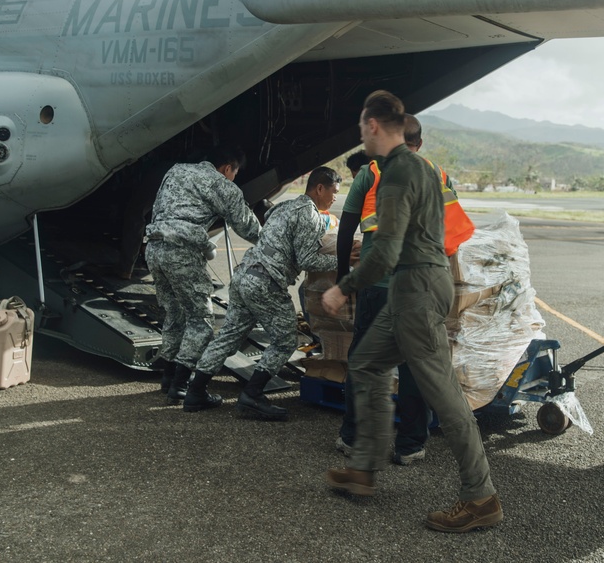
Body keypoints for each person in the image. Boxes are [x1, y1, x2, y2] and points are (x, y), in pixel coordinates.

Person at [322, 91, 501, 533]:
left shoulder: (397, 173)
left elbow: (385, 250)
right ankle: (364, 468)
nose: (362, 133)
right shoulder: (423, 168)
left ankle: (480, 497)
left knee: (444, 394)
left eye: (365, 125)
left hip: (416, 288)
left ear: (379, 127)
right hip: (413, 287)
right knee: (365, 364)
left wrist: (343, 288)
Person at [333, 115, 472, 466]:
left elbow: (347, 227)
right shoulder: (439, 175)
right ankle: (411, 444)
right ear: (419, 144)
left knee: (365, 363)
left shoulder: (373, 172)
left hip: (378, 286)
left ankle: (353, 438)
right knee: (415, 366)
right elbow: (453, 232)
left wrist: (342, 277)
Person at [182, 167, 342, 419]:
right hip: (266, 283)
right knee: (285, 341)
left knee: (229, 335)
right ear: (320, 188)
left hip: (244, 276)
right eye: (334, 191)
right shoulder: (310, 215)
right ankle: (252, 396)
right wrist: (344, 260)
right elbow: (309, 260)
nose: (335, 197)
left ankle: (195, 392)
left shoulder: (285, 206)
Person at [146, 146, 262, 404]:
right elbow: (247, 226)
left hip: (154, 248)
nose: (233, 179)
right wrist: (273, 241)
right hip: (182, 253)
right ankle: (181, 385)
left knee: (174, 314)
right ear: (227, 168)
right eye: (234, 173)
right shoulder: (221, 184)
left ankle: (168, 377)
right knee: (200, 320)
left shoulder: (176, 171)